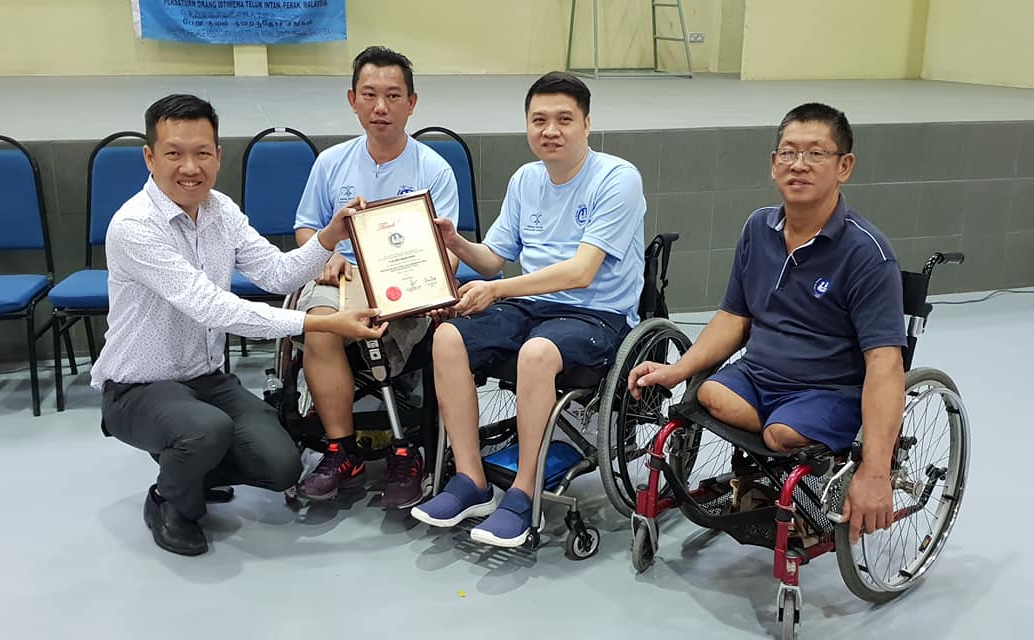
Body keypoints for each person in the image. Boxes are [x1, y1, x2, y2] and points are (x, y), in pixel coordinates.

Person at [93, 94, 386, 557]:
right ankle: (169, 500)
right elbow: (212, 308)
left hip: (206, 379)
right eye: (174, 153)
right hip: (137, 387)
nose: (190, 167)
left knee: (281, 465)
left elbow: (277, 274)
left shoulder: (221, 210)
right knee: (203, 430)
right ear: (149, 157)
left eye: (202, 153)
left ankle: (196, 468)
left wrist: (330, 236)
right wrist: (322, 323)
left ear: (218, 155)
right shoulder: (135, 226)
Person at [627, 102, 906, 544]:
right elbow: (732, 318)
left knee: (780, 433)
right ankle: (771, 453)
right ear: (774, 163)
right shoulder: (758, 228)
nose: (799, 164)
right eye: (788, 152)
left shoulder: (867, 253)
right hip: (760, 377)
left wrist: (875, 469)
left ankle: (785, 448)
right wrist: (676, 370)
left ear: (844, 166)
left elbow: (885, 364)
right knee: (708, 393)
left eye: (816, 153)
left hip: (828, 389)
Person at [410, 71, 646, 548]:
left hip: (597, 315)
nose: (550, 130)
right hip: (531, 306)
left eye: (564, 119)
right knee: (448, 336)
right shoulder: (525, 179)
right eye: (539, 120)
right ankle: (471, 480)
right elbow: (492, 260)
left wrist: (497, 290)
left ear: (586, 124)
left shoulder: (618, 179)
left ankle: (522, 493)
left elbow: (580, 272)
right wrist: (456, 242)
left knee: (536, 352)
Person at [291, 45, 460, 510]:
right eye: (369, 94)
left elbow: (447, 249)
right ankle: (341, 450)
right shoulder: (331, 163)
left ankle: (406, 450)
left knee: (392, 322)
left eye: (392, 95)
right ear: (352, 100)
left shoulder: (434, 169)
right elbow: (306, 228)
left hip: (404, 281)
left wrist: (430, 283)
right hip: (343, 277)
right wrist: (326, 254)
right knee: (322, 323)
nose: (380, 107)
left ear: (412, 102)